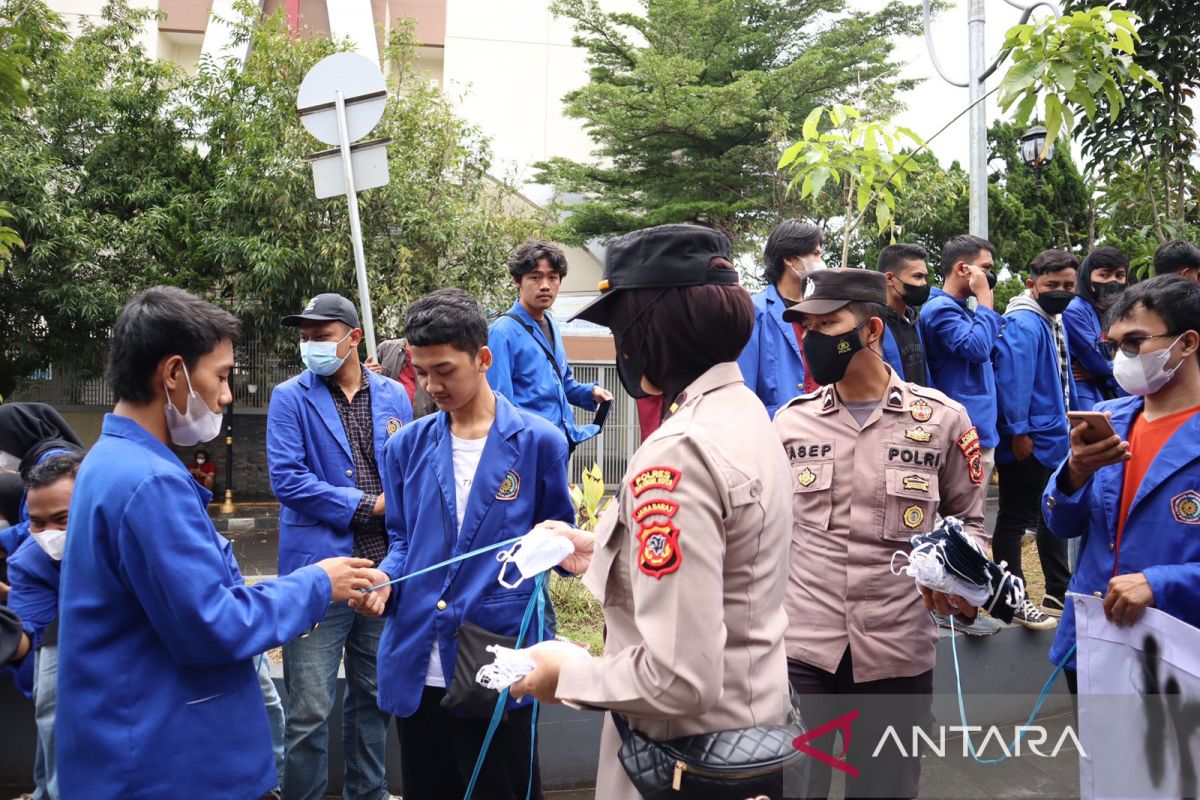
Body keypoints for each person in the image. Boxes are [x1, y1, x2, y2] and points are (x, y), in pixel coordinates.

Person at [507, 223, 795, 800]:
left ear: (652, 325)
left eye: (621, 327)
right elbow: (727, 564)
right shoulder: (744, 414)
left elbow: (678, 676)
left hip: (682, 760)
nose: (621, 345)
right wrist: (599, 548)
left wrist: (562, 673)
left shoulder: (681, 449)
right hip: (748, 730)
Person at [56, 286, 375, 800]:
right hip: (169, 763)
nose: (227, 395)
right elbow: (213, 624)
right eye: (222, 376)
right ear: (174, 373)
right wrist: (318, 583)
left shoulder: (113, 460)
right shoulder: (149, 482)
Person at [773, 268, 989, 800]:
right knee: (794, 788)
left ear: (870, 330)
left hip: (895, 650)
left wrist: (964, 576)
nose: (813, 338)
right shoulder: (789, 424)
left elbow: (973, 524)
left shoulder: (943, 420)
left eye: (828, 324)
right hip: (804, 652)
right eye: (807, 327)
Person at [352, 288, 574, 799]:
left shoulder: (538, 441)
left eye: (445, 370)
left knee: (503, 786)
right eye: (421, 371)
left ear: (483, 358)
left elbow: (559, 547)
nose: (432, 385)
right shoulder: (406, 445)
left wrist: (564, 551)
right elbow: (404, 540)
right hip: (419, 660)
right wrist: (387, 577)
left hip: (497, 660)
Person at [267, 292, 412, 800]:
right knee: (308, 709)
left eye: (320, 337)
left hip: (380, 571)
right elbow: (287, 480)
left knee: (373, 701)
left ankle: (367, 793)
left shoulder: (395, 396)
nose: (310, 346)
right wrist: (369, 506)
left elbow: (407, 476)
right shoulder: (290, 397)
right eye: (304, 337)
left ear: (352, 338)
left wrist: (393, 566)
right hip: (318, 575)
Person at [1043, 275, 1200, 693]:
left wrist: (1162, 583)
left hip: (1178, 649)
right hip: (1094, 641)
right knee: (1100, 758)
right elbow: (1060, 525)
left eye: (1134, 343)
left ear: (1187, 343)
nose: (1120, 358)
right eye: (1112, 346)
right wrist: (1075, 472)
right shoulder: (1109, 418)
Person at [993, 250, 1079, 628]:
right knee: (1014, 519)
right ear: (1032, 284)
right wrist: (1017, 431)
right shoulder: (1025, 323)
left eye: (1068, 285)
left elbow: (1062, 377)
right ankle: (1013, 598)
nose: (1061, 291)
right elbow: (1014, 380)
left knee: (1050, 513)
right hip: (1031, 438)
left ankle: (1057, 590)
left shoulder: (1052, 319)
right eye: (1052, 285)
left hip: (1052, 434)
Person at [487, 240, 613, 450]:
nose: (545, 285)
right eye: (535, 277)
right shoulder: (502, 332)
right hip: (527, 450)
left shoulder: (552, 325)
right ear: (517, 280)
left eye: (552, 277)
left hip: (558, 444)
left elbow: (563, 384)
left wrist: (591, 392)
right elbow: (500, 406)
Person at [8, 452, 82, 800]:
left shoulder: (131, 545)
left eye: (62, 519)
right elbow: (36, 663)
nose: (48, 533)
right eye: (37, 522)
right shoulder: (28, 564)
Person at [919, 234, 1002, 487]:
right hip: (961, 431)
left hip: (978, 428)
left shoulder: (964, 310)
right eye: (985, 268)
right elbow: (976, 348)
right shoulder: (940, 309)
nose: (990, 276)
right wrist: (985, 301)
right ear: (963, 269)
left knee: (970, 519)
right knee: (961, 517)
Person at [738, 219, 824, 416]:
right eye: (815, 254)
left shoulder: (824, 310)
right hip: (775, 428)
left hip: (824, 428)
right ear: (790, 259)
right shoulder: (755, 311)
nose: (820, 261)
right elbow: (745, 385)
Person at [1066, 247, 1128, 410]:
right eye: (1104, 275)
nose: (1113, 281)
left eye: (1119, 275)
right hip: (1087, 397)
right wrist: (1106, 371)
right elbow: (1101, 362)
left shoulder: (1116, 311)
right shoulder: (1074, 310)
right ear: (1089, 280)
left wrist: (1101, 373)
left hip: (1113, 393)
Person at [877, 243, 932, 385]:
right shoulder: (874, 327)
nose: (924, 284)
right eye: (917, 277)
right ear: (889, 279)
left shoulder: (916, 321)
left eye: (925, 277)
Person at [367, 338, 438, 418]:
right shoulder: (386, 348)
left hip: (421, 422)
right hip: (387, 420)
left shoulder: (436, 353)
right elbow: (368, 386)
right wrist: (366, 373)